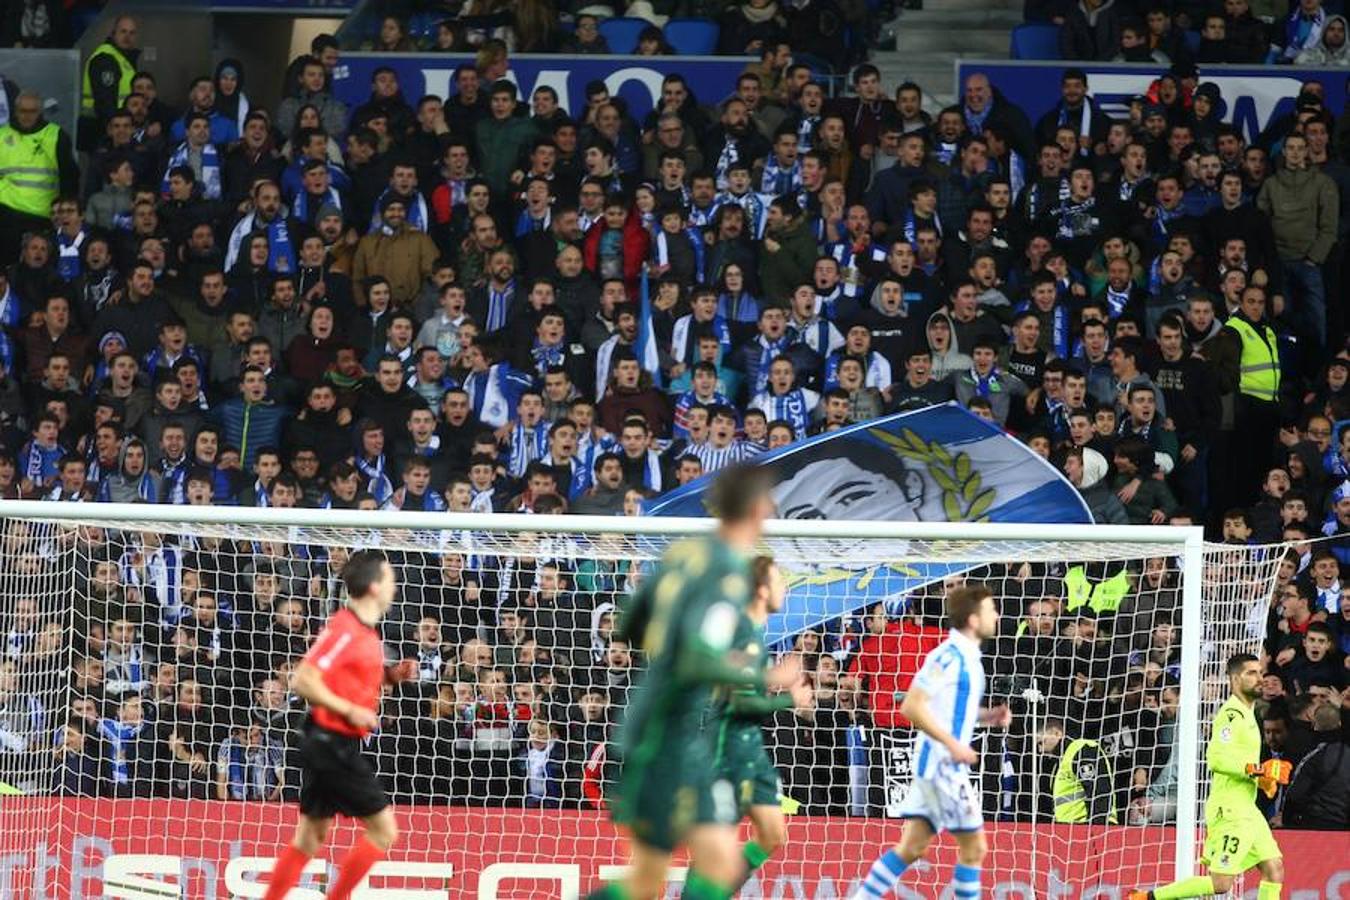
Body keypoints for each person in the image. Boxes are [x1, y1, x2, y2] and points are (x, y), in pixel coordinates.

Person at [581, 465, 800, 900]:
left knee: (680, 873)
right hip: (669, 735)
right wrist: (764, 675)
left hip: (660, 725)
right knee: (661, 878)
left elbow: (630, 623)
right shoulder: (727, 572)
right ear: (758, 508)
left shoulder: (685, 554)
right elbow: (698, 658)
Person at [259, 550, 418, 900]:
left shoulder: (363, 632)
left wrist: (392, 676)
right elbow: (303, 679)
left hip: (323, 739)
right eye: (390, 580)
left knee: (309, 838)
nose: (394, 587)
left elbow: (354, 676)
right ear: (374, 587)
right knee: (383, 831)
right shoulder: (346, 629)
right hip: (332, 742)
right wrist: (350, 710)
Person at [852, 584, 1010, 900]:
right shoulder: (948, 657)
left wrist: (988, 716)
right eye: (990, 610)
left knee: (911, 848)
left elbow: (952, 712)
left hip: (938, 764)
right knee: (974, 847)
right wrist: (954, 744)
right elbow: (912, 705)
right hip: (941, 766)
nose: (996, 615)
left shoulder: (970, 659)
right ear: (974, 620)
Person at [692, 555, 813, 891]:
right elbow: (741, 702)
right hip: (728, 751)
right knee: (716, 849)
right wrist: (791, 699)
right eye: (779, 581)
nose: (785, 588)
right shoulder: (742, 634)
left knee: (773, 834)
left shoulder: (754, 637)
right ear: (761, 590)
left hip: (752, 751)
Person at [1129, 654, 1287, 900]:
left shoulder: (1248, 713)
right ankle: (1146, 898)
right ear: (1235, 679)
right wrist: (1259, 770)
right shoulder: (1231, 715)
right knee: (1221, 883)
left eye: (1260, 672)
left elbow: (1241, 763)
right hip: (1230, 811)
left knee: (1274, 869)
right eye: (1251, 673)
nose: (1260, 678)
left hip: (1247, 808)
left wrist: (1262, 780)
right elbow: (1216, 759)